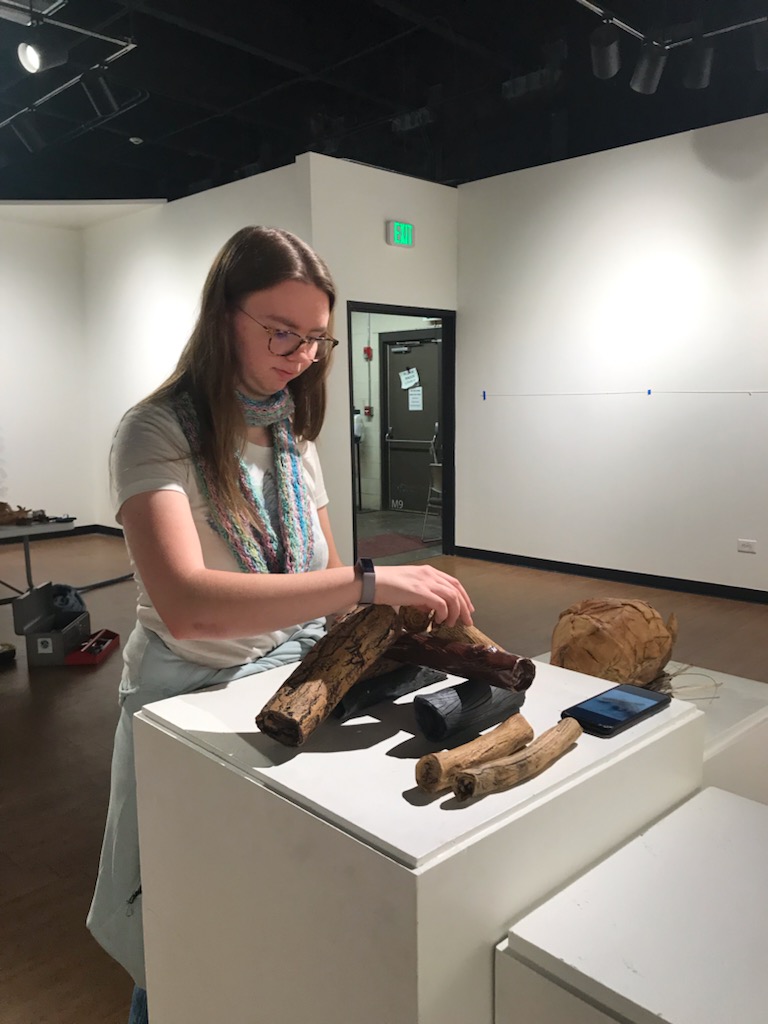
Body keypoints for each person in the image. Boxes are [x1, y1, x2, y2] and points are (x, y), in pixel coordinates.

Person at [86, 225, 474, 1024]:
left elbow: (324, 592)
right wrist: (372, 580)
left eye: (317, 341)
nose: (301, 356)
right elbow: (190, 604)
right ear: (223, 314)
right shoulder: (156, 432)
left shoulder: (291, 434)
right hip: (188, 701)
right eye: (282, 333)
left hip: (285, 687)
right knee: (177, 919)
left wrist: (408, 616)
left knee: (262, 908)